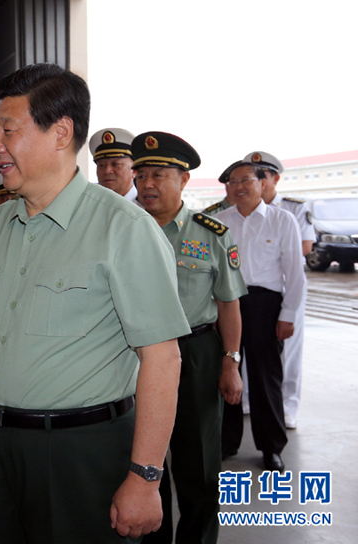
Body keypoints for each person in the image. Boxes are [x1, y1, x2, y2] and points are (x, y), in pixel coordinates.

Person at [0, 63, 191, 543]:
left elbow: (162, 359)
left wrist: (145, 476)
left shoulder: (123, 230)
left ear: (60, 133)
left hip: (80, 449)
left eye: (9, 131)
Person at [131, 132, 246, 544]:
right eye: (140, 174)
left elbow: (228, 303)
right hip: (135, 355)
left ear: (183, 180)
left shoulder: (210, 233)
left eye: (158, 174)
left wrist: (230, 361)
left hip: (196, 352)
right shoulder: (124, 230)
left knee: (198, 464)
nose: (147, 184)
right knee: (145, 461)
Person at [218, 158, 305, 472]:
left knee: (265, 376)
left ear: (262, 184)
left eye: (246, 181)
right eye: (233, 182)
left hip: (265, 306)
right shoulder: (218, 222)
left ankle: (271, 447)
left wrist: (288, 314)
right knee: (227, 372)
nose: (238, 187)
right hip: (227, 303)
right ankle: (226, 442)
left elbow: (295, 273)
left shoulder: (282, 221)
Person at [253, 151, 313, 429]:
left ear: (275, 178)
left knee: (289, 351)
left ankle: (288, 406)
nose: (257, 182)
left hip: (290, 287)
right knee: (254, 349)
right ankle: (251, 402)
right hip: (257, 292)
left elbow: (305, 248)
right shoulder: (239, 208)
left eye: (261, 176)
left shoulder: (294, 208)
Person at [88, 127, 138, 201]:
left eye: (116, 164)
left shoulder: (149, 209)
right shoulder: (88, 208)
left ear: (134, 170)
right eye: (101, 165)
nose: (107, 171)